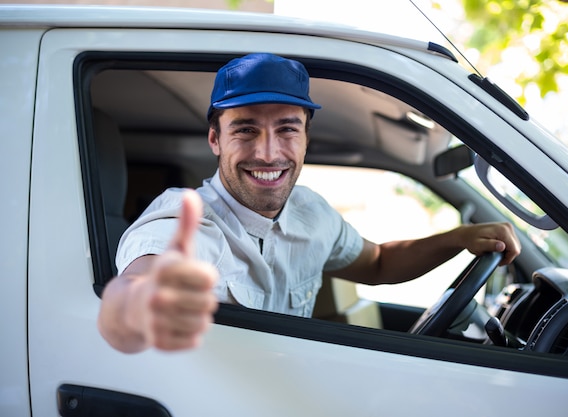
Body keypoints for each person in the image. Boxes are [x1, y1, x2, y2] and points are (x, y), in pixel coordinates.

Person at [97, 53, 521, 354]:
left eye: (286, 129)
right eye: (245, 130)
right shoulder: (186, 221)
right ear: (215, 139)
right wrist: (139, 307)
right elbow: (136, 294)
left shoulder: (311, 211)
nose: (268, 152)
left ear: (305, 139)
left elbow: (377, 264)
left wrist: (459, 238)